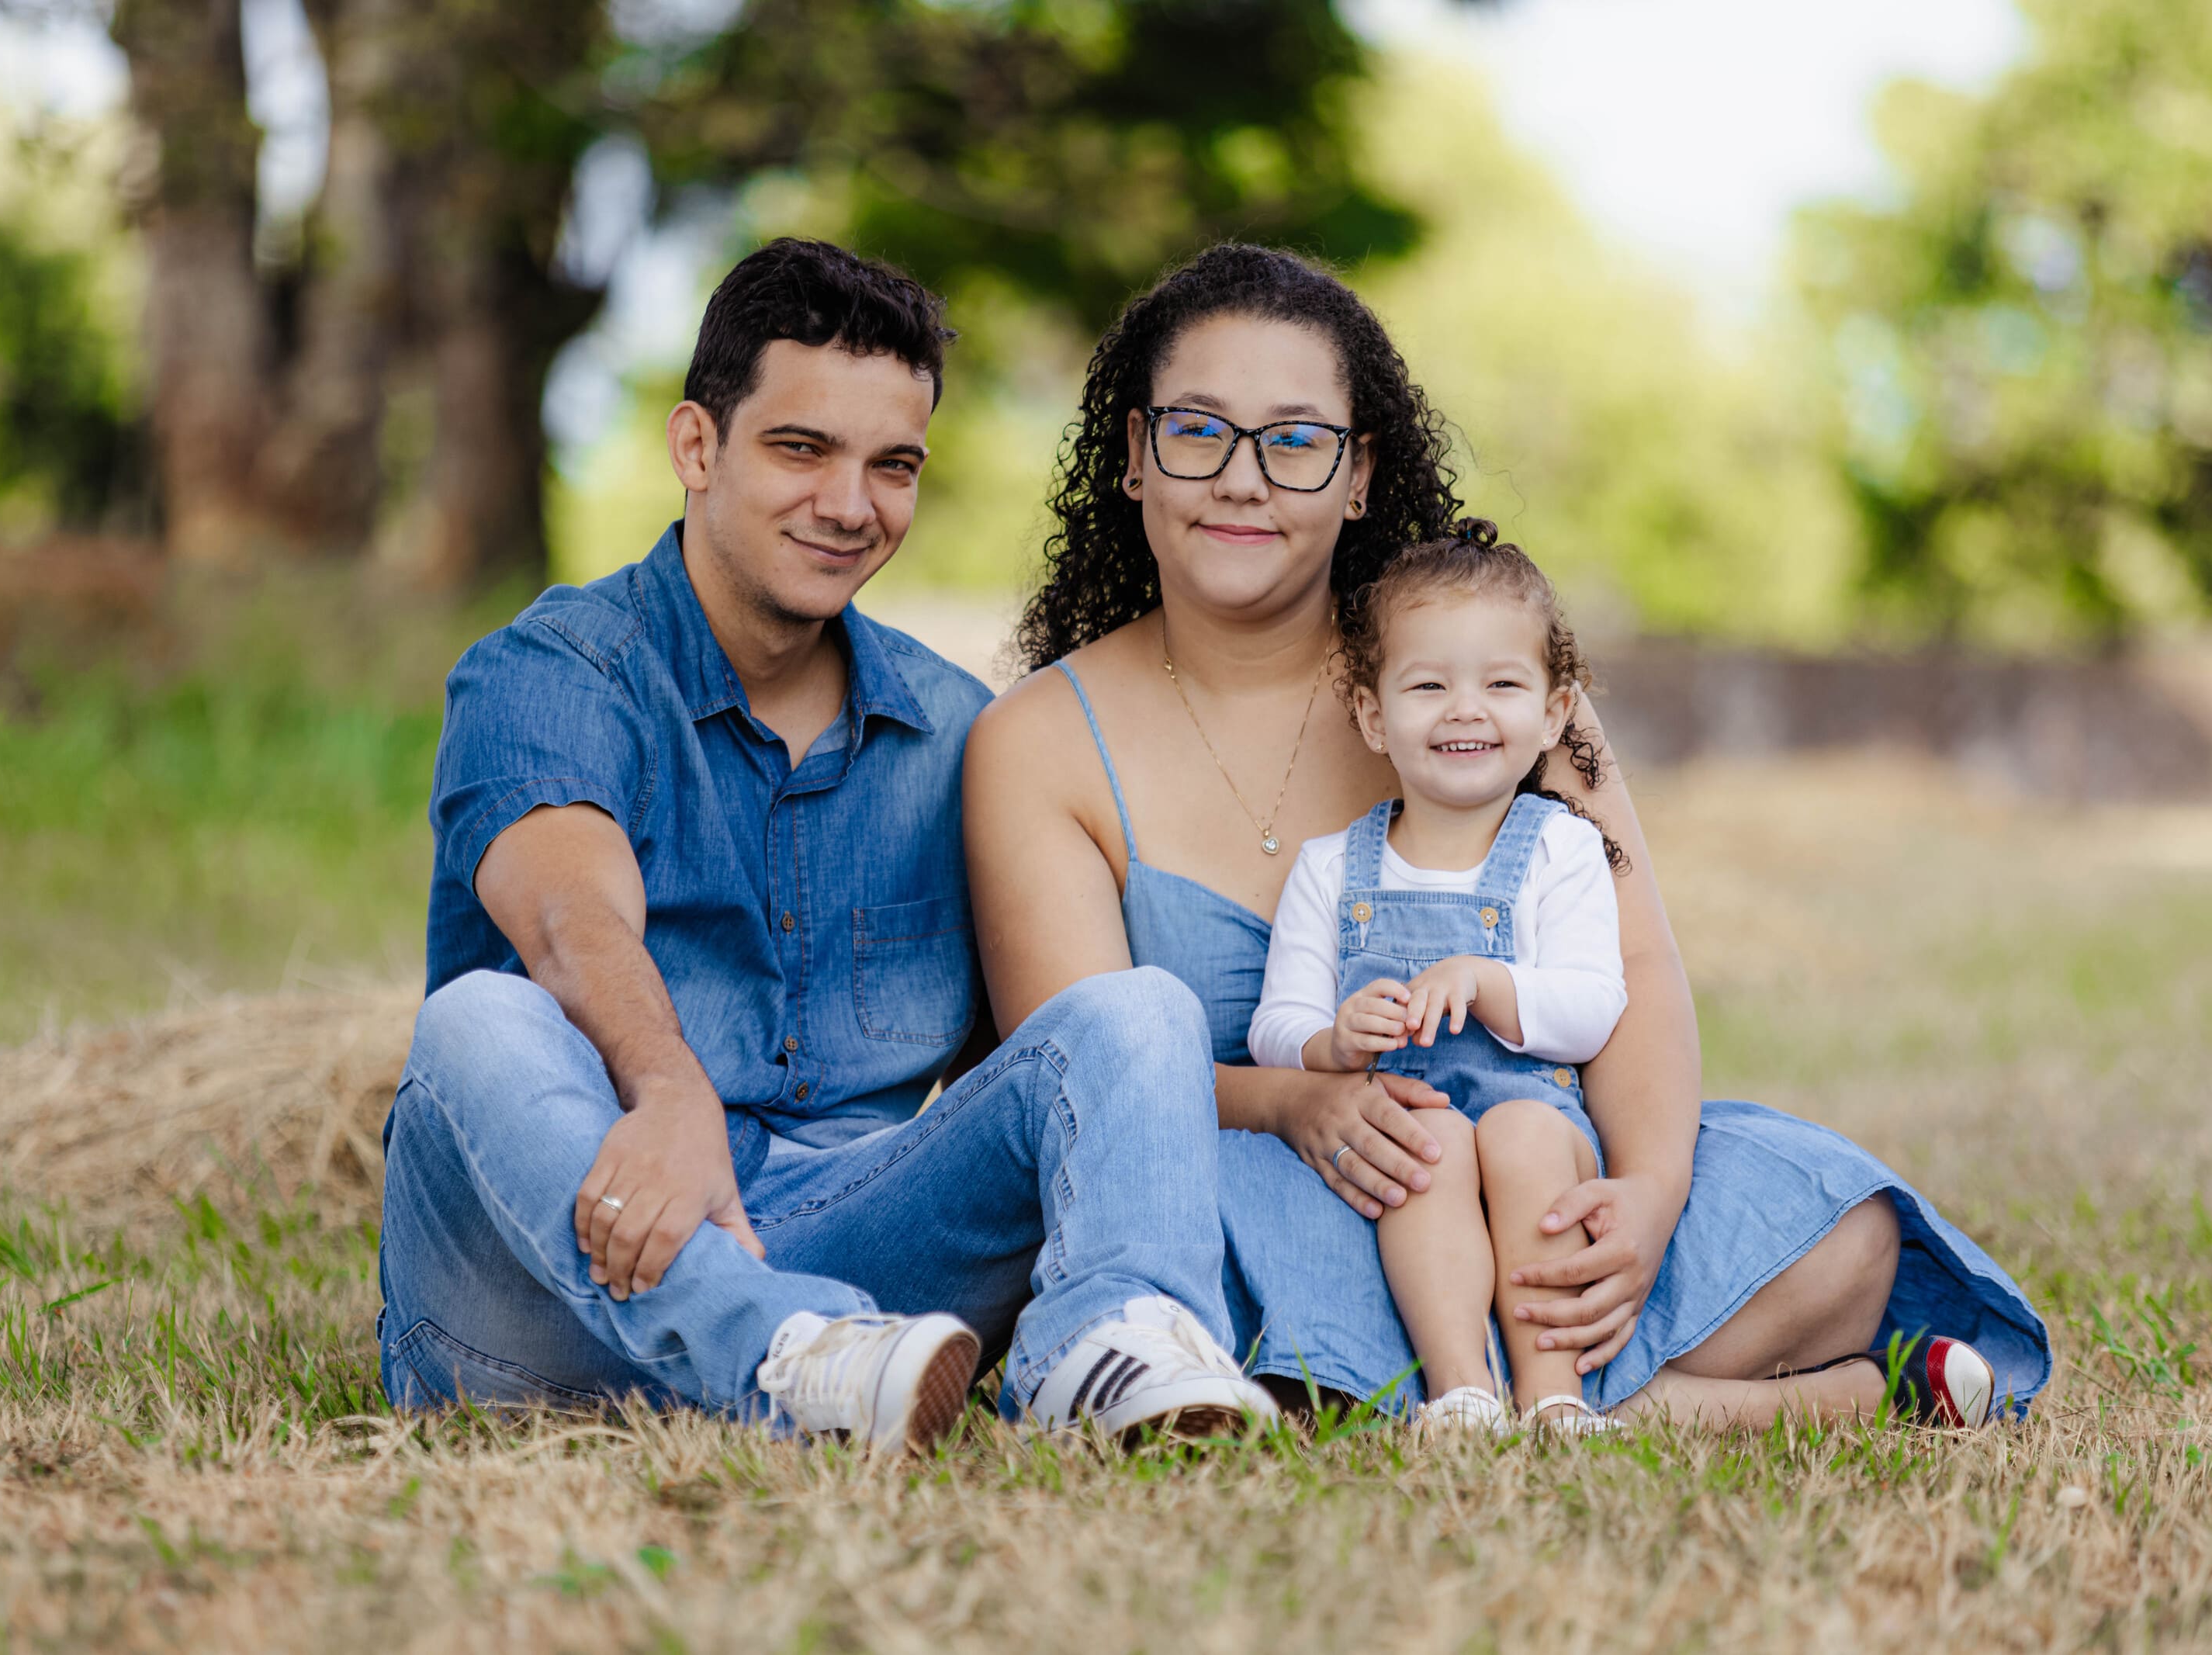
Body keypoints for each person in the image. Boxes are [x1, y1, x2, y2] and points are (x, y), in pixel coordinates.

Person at [961, 243, 2050, 1432]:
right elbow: (1072, 1075)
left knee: (1847, 1237)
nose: (1241, 479)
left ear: (1359, 472)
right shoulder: (1035, 739)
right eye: (1196, 431)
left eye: (1293, 440)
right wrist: (1291, 1105)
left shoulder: (1496, 696)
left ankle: (1497, 1385)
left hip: (1529, 1163)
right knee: (1204, 1283)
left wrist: (1640, 1198)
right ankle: (1717, 1403)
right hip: (1248, 1183)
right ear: (1131, 456)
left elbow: (1631, 968)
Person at [377, 237, 1279, 1452]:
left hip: (860, 1273)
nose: (850, 505)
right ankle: (776, 1350)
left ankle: (1111, 1348)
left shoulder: (959, 731)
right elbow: (566, 914)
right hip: (553, 1282)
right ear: (697, 447)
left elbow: (1039, 1068)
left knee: (1136, 1011)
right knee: (480, 1023)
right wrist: (668, 1088)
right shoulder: (553, 668)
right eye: (801, 449)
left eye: (890, 465)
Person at [1248, 521, 1629, 1436]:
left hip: (1538, 1125)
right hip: (1407, 1133)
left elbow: (1591, 1008)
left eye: (1501, 684)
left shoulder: (1562, 850)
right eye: (1428, 686)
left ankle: (1553, 1396)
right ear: (1374, 715)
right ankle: (1462, 1390)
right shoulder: (1333, 866)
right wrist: (1332, 1041)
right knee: (1427, 1146)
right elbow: (1274, 1026)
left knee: (1520, 1135)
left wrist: (1490, 983)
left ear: (1552, 710)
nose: (1465, 709)